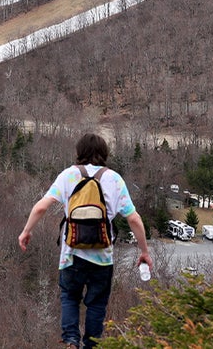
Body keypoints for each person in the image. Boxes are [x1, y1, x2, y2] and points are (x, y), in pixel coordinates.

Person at [18, 132, 152, 349]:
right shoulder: (114, 179)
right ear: (104, 153)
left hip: (71, 256)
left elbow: (42, 206)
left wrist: (26, 231)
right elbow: (134, 219)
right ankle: (92, 344)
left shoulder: (68, 175)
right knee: (97, 304)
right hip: (102, 258)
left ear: (79, 152)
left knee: (70, 297)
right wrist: (144, 251)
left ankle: (71, 340)